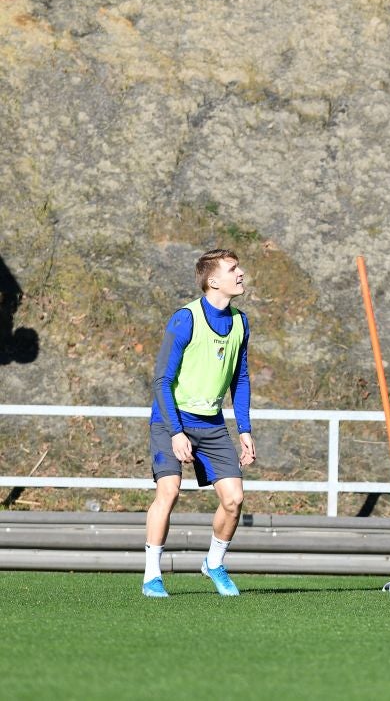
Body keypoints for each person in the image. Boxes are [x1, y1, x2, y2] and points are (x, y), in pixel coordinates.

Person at [143, 249, 256, 598]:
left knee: (234, 499)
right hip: (171, 417)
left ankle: (214, 563)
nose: (240, 273)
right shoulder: (185, 319)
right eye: (233, 269)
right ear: (213, 281)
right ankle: (152, 575)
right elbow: (162, 380)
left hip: (212, 424)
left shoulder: (241, 322)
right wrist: (176, 432)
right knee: (169, 491)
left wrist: (245, 430)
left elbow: (240, 379)